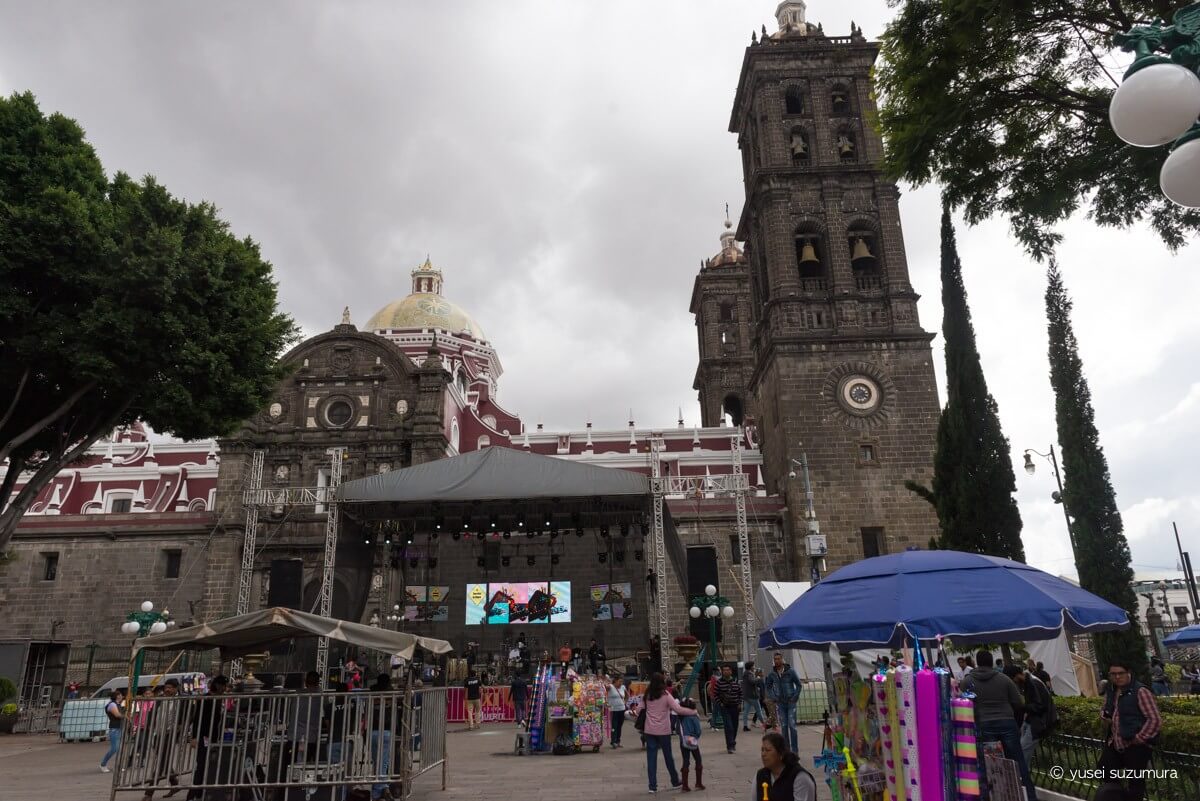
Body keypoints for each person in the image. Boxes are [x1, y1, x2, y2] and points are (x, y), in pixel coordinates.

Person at [962, 651, 1036, 801]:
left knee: (991, 764)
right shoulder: (1004, 679)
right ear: (991, 662)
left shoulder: (967, 681)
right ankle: (1029, 796)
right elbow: (1018, 703)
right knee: (1017, 762)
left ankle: (997, 796)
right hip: (1007, 723)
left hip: (983, 724)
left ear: (977, 662)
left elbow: (963, 704)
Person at [1100, 657, 1161, 801]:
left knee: (1135, 784)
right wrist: (1104, 714)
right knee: (1104, 770)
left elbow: (1154, 719)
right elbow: (1105, 708)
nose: (1117, 677)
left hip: (1136, 745)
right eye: (1113, 674)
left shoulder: (1140, 691)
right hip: (1116, 743)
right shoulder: (1112, 690)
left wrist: (1139, 738)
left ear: (1129, 673)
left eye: (1120, 673)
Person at [643, 672, 698, 793]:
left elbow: (638, 710)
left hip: (649, 730)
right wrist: (693, 711)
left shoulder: (647, 694)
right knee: (668, 756)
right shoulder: (665, 695)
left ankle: (652, 786)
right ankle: (674, 780)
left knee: (651, 758)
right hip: (663, 730)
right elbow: (678, 709)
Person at [187, 674, 229, 800]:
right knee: (201, 765)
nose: (225, 688)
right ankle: (193, 794)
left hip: (214, 736)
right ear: (217, 685)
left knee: (210, 765)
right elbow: (197, 718)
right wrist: (194, 737)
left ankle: (202, 793)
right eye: (223, 686)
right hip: (204, 736)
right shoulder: (206, 698)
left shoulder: (221, 699)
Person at [756, 731, 818, 800]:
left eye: (768, 750)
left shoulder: (800, 777)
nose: (763, 754)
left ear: (781, 754)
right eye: (762, 750)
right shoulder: (761, 775)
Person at [764, 652, 802, 752]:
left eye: (778, 659)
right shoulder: (772, 674)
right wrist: (774, 697)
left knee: (792, 726)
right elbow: (768, 686)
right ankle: (786, 751)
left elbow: (799, 685)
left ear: (782, 660)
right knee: (784, 727)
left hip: (791, 702)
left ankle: (795, 751)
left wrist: (795, 697)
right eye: (775, 659)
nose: (776, 661)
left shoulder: (790, 671)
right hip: (780, 703)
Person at [368, 674, 395, 801]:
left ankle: (377, 791)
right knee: (383, 763)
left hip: (372, 730)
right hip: (386, 730)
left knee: (377, 761)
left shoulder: (372, 693)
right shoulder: (392, 693)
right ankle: (381, 788)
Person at [677, 697, 705, 792]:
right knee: (698, 760)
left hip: (683, 742)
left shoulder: (681, 717)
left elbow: (677, 730)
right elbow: (698, 731)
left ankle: (685, 785)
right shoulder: (693, 716)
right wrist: (694, 737)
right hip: (692, 741)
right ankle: (698, 783)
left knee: (686, 761)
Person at [714, 664, 743, 753]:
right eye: (724, 670)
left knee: (734, 726)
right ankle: (730, 746)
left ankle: (732, 742)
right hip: (725, 708)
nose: (726, 672)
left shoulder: (736, 682)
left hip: (735, 707)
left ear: (731, 671)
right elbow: (715, 694)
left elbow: (740, 693)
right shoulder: (719, 682)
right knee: (728, 727)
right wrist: (720, 703)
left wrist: (739, 703)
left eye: (727, 670)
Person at [100, 689, 125, 773]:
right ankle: (103, 764)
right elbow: (117, 715)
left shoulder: (117, 704)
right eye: (120, 695)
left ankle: (118, 766)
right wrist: (125, 716)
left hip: (119, 727)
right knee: (114, 748)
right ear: (117, 696)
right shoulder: (112, 704)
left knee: (119, 749)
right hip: (114, 728)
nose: (122, 696)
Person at [741, 663, 764, 732]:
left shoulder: (745, 674)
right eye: (753, 666)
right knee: (759, 710)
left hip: (746, 696)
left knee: (746, 711)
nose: (754, 667)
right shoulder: (749, 674)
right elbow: (752, 681)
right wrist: (758, 678)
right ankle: (764, 724)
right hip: (753, 695)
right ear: (750, 667)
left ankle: (745, 726)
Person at [607, 675, 627, 748]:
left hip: (622, 709)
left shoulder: (623, 687)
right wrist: (606, 682)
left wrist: (625, 702)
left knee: (619, 726)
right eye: (619, 681)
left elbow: (627, 695)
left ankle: (618, 741)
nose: (621, 683)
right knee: (614, 726)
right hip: (613, 710)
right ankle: (613, 741)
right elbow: (605, 687)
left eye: (622, 681)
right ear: (615, 681)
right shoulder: (611, 686)